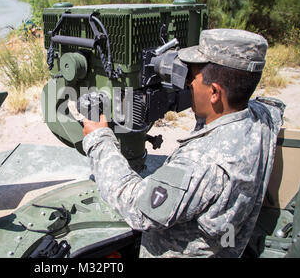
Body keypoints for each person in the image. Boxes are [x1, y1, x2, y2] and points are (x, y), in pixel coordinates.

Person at [82, 29, 286, 258]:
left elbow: (135, 206)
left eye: (193, 77)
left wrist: (99, 138)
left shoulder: (199, 165)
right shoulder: (262, 120)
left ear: (215, 93)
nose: (187, 81)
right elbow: (275, 105)